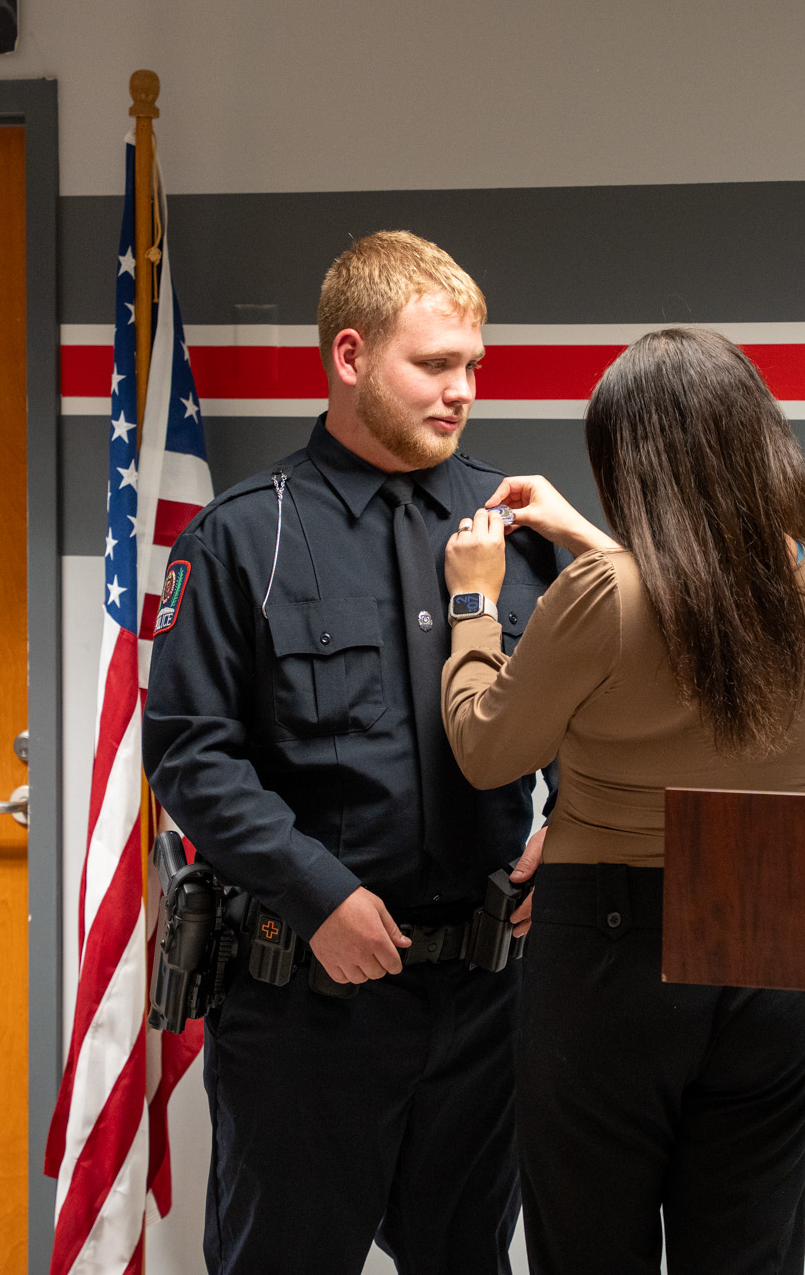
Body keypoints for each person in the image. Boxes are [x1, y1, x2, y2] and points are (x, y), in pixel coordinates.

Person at [146, 232, 561, 1275]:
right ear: (347, 356)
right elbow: (192, 754)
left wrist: (571, 830)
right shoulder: (245, 537)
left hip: (479, 1001)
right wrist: (317, 892)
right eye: (433, 365)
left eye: (472, 365)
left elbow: (598, 718)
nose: (461, 391)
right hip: (304, 1005)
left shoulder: (517, 534)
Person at [436, 327, 805, 1275]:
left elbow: (483, 745)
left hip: (611, 956)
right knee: (749, 1255)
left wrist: (475, 603)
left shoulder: (600, 596)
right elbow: (698, 617)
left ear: (637, 466)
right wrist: (591, 542)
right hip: (776, 960)